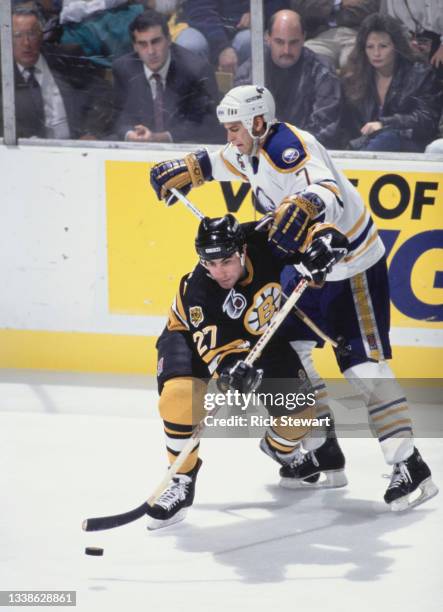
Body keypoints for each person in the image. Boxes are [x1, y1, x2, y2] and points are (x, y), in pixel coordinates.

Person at [150, 84, 438, 513]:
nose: (230, 136)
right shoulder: (250, 148)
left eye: (235, 128)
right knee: (293, 351)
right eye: (227, 129)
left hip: (349, 265)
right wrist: (191, 167)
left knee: (362, 367)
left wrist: (305, 205)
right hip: (304, 268)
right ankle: (324, 448)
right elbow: (222, 161)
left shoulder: (289, 146)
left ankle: (408, 464)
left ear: (258, 122)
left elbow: (326, 189)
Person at [146, 213, 349, 529]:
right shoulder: (200, 291)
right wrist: (229, 373)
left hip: (259, 339)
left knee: (301, 418)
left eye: (225, 261)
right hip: (189, 338)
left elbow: (307, 226)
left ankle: (277, 448)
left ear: (241, 250)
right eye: (209, 264)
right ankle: (181, 481)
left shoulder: (262, 237)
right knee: (179, 397)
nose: (218, 272)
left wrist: (324, 238)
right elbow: (216, 355)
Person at [235, 9, 343, 148]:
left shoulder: (322, 71)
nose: (286, 50)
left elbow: (325, 128)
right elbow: (241, 124)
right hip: (261, 154)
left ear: (304, 38)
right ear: (268, 38)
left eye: (293, 42)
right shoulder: (251, 71)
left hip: (308, 156)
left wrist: (289, 150)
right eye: (279, 42)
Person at [111, 9, 221, 143]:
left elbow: (207, 125)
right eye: (143, 44)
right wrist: (131, 134)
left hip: (183, 150)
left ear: (169, 40)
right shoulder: (124, 68)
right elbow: (118, 117)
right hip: (139, 150)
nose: (151, 51)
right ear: (135, 46)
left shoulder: (196, 70)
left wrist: (159, 138)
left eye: (156, 41)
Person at [1, 6, 111, 139]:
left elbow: (102, 93)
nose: (26, 43)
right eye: (17, 35)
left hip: (77, 148)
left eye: (31, 34)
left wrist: (91, 132)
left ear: (42, 35)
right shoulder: (5, 76)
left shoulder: (67, 58)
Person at [341, 13, 443, 152]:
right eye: (370, 47)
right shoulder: (354, 78)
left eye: (383, 46)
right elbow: (346, 125)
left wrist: (385, 124)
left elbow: (426, 119)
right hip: (365, 144)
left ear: (396, 47)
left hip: (410, 144)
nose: (376, 53)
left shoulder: (420, 75)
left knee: (387, 138)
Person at [289, 0, 380, 71]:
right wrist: (337, 3)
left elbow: (372, 6)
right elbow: (302, 5)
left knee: (355, 62)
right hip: (319, 36)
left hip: (355, 35)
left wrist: (329, 11)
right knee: (308, 59)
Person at [380, 0, 443, 79]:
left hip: (440, 36)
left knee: (438, 66)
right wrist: (410, 41)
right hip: (420, 37)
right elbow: (395, 24)